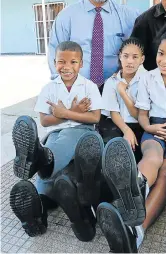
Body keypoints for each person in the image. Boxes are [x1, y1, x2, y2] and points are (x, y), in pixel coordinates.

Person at [97, 25, 166, 252]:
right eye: (161, 54)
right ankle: (136, 185)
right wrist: (149, 126)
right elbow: (141, 113)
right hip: (154, 125)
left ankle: (136, 232)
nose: (165, 61)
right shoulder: (148, 79)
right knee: (152, 154)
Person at [9, 41, 104, 242]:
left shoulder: (89, 87)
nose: (66, 66)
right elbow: (45, 120)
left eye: (73, 61)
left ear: (81, 63)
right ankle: (38, 214)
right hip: (56, 133)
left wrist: (65, 113)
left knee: (59, 145)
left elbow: (95, 118)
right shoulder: (49, 88)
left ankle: (40, 160)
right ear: (54, 62)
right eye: (61, 61)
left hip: (83, 133)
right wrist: (75, 113)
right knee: (51, 154)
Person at [100, 37, 146, 163]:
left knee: (131, 155)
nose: (129, 61)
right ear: (120, 57)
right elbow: (113, 113)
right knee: (110, 149)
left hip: (139, 124)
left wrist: (123, 93)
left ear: (142, 59)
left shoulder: (147, 80)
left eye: (135, 57)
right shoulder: (111, 81)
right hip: (116, 123)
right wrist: (126, 130)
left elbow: (138, 115)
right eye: (125, 56)